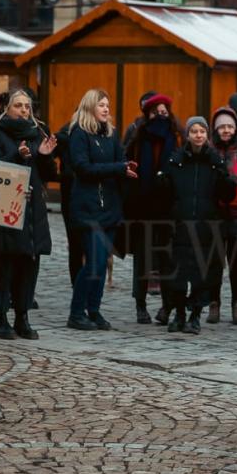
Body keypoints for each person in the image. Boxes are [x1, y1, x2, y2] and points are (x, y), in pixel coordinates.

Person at [0, 89, 57, 340]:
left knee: (30, 262)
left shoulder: (37, 133)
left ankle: (22, 318)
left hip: (33, 207)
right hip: (7, 208)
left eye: (27, 106)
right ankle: (1, 319)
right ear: (8, 109)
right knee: (5, 264)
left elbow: (48, 175)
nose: (24, 110)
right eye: (18, 105)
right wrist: (17, 154)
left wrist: (46, 157)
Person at [66, 89, 138, 331]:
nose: (106, 109)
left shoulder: (111, 134)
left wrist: (126, 168)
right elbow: (82, 167)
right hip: (87, 208)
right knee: (94, 262)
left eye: (108, 105)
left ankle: (93, 310)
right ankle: (76, 312)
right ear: (89, 107)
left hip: (110, 208)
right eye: (101, 105)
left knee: (102, 262)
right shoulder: (79, 134)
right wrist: (117, 167)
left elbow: (119, 162)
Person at [158, 116, 236, 334]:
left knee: (203, 275)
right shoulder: (177, 160)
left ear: (207, 135)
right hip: (181, 226)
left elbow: (228, 194)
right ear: (188, 135)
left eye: (202, 131)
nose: (199, 135)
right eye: (194, 131)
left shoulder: (214, 161)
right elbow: (165, 193)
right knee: (179, 275)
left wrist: (224, 177)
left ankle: (195, 316)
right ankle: (180, 313)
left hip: (207, 228)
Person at [122, 93, 181, 325]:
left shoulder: (176, 136)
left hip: (167, 208)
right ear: (148, 113)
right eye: (156, 111)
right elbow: (128, 165)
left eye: (164, 110)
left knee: (167, 259)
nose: (160, 114)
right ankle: (141, 305)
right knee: (142, 259)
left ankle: (167, 306)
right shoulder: (139, 137)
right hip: (142, 207)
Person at [208, 106, 237, 326]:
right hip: (215, 214)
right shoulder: (209, 150)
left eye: (230, 126)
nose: (226, 130)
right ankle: (213, 303)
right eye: (222, 127)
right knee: (214, 262)